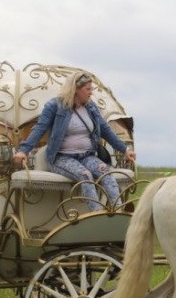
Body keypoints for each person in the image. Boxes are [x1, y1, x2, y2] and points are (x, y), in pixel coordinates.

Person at [13, 72, 136, 211]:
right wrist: (23, 150)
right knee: (86, 175)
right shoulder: (55, 106)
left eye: (91, 89)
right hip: (61, 157)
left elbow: (105, 130)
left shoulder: (91, 107)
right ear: (76, 89)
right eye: (88, 89)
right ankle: (96, 215)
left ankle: (118, 210)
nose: (91, 93)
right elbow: (40, 128)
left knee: (106, 173)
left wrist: (125, 149)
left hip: (87, 155)